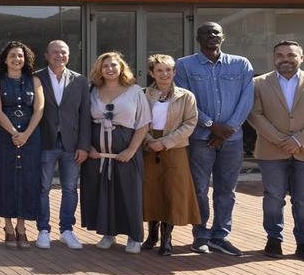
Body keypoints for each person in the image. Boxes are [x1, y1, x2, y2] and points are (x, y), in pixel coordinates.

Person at [249, 40, 304, 265]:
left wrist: (298, 139)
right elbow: (255, 114)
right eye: (280, 55)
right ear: (274, 58)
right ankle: (273, 240)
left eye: (291, 55)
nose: (285, 59)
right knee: (273, 198)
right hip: (271, 150)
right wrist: (281, 140)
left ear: (301, 58)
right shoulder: (258, 83)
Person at [174, 22, 254, 256]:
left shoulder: (241, 64)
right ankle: (200, 235)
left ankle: (221, 235)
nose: (212, 36)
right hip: (200, 138)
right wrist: (211, 126)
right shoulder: (184, 66)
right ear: (198, 38)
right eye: (206, 33)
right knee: (199, 188)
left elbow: (246, 99)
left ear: (223, 37)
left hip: (232, 139)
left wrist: (227, 130)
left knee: (226, 190)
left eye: (216, 32)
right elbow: (185, 101)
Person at [81, 51, 151, 254]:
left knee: (129, 194)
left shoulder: (135, 91)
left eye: (113, 65)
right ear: (99, 70)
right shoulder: (92, 90)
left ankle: (134, 236)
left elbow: (143, 123)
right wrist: (89, 147)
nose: (110, 69)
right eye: (105, 66)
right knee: (103, 194)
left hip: (126, 155)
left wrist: (131, 149)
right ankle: (108, 233)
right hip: (98, 157)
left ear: (121, 67)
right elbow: (84, 121)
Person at [141, 54, 201, 256]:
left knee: (172, 192)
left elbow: (190, 123)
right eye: (159, 70)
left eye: (168, 70)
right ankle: (151, 236)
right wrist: (149, 140)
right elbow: (137, 120)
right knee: (152, 191)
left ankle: (167, 239)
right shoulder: (142, 94)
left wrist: (164, 143)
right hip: (149, 147)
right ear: (152, 73)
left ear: (174, 72)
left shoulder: (186, 96)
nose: (164, 74)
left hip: (175, 148)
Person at [34, 40, 91, 250]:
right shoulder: (36, 78)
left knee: (69, 188)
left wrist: (84, 145)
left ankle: (67, 230)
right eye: (55, 52)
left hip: (72, 144)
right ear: (47, 55)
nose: (60, 56)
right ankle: (43, 230)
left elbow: (85, 116)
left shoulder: (80, 80)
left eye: (64, 52)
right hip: (45, 141)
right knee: (43, 187)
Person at [0, 41, 45, 249]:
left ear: (26, 58)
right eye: (12, 55)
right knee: (5, 178)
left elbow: (39, 109)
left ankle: (22, 226)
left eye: (20, 56)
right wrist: (14, 132)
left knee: (27, 179)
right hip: (4, 135)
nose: (16, 59)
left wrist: (26, 134)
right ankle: (8, 226)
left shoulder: (35, 80)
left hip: (31, 136)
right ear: (5, 59)